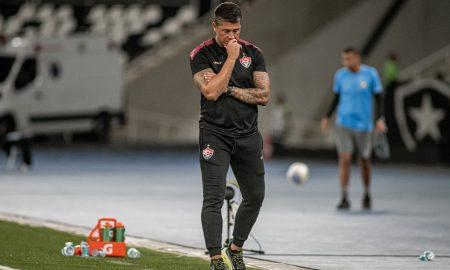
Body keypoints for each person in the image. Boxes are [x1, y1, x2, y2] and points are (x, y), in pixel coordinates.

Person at [189, 2, 270, 270]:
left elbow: (264, 95)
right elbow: (211, 91)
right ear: (215, 26)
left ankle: (235, 249)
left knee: (255, 196)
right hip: (215, 134)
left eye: (236, 30)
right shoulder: (200, 54)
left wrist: (232, 89)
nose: (232, 36)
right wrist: (231, 58)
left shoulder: (254, 53)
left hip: (247, 135)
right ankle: (216, 260)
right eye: (226, 31)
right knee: (213, 197)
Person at [321, 47, 386, 210]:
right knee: (345, 159)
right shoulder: (340, 75)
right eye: (344, 59)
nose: (346, 62)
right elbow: (336, 97)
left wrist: (380, 119)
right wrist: (327, 117)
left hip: (364, 126)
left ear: (357, 58)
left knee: (364, 161)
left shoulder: (371, 74)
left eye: (349, 59)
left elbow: (379, 99)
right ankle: (344, 197)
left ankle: (366, 193)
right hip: (343, 124)